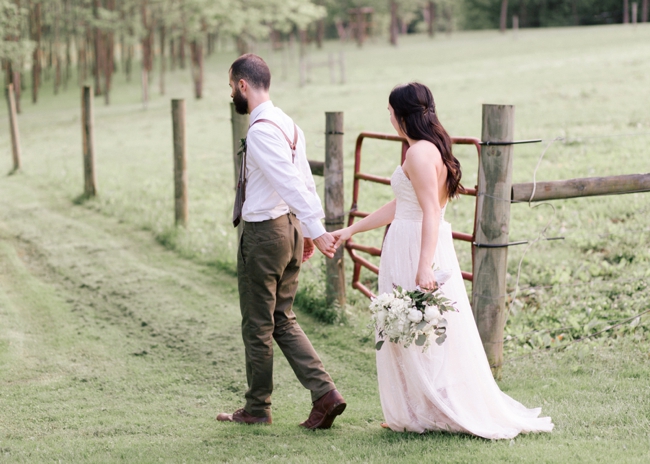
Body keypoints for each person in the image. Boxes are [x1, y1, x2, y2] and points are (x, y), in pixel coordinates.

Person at [331, 82, 553, 439]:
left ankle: (426, 410)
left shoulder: (419, 153)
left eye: (389, 111)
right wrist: (351, 230)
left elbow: (431, 211)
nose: (388, 118)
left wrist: (422, 265)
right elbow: (402, 205)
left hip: (415, 245)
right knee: (411, 326)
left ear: (401, 114)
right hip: (415, 238)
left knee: (415, 327)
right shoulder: (427, 149)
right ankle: (417, 408)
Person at [217, 54, 346, 429]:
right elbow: (304, 179)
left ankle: (257, 408)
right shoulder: (287, 124)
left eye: (231, 86)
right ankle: (325, 395)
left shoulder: (260, 131)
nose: (231, 94)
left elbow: (292, 182)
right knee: (282, 319)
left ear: (243, 84)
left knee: (258, 325)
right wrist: (305, 230)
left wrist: (317, 231)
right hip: (287, 230)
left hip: (264, 235)